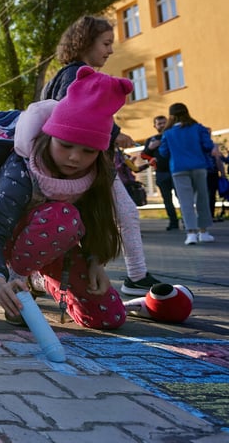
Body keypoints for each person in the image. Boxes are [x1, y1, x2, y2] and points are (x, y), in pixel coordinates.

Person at [0, 68, 131, 330]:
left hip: (54, 248)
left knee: (109, 317)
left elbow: (95, 221)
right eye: (65, 145)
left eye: (88, 150)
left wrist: (94, 262)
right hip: (6, 249)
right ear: (48, 137)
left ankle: (40, 280)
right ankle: (21, 280)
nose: (74, 158)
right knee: (61, 216)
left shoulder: (96, 175)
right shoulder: (23, 167)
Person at [42, 15, 161, 297]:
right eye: (106, 43)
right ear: (85, 42)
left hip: (71, 165)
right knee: (127, 213)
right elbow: (79, 118)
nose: (110, 50)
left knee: (61, 221)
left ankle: (35, 276)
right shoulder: (79, 75)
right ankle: (136, 275)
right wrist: (113, 133)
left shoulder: (62, 75)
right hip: (88, 165)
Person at [159, 103, 215, 245]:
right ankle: (204, 232)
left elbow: (163, 152)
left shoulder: (168, 133)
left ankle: (191, 234)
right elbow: (208, 146)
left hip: (178, 168)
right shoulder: (198, 128)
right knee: (202, 198)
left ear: (171, 116)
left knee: (185, 202)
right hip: (199, 166)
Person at [141, 115, 180, 230]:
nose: (162, 125)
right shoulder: (151, 140)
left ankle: (187, 221)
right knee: (167, 200)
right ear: (155, 126)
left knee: (181, 197)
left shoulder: (172, 135)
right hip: (161, 173)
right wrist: (151, 148)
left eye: (164, 122)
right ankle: (173, 223)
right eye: (159, 123)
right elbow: (144, 155)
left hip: (176, 170)